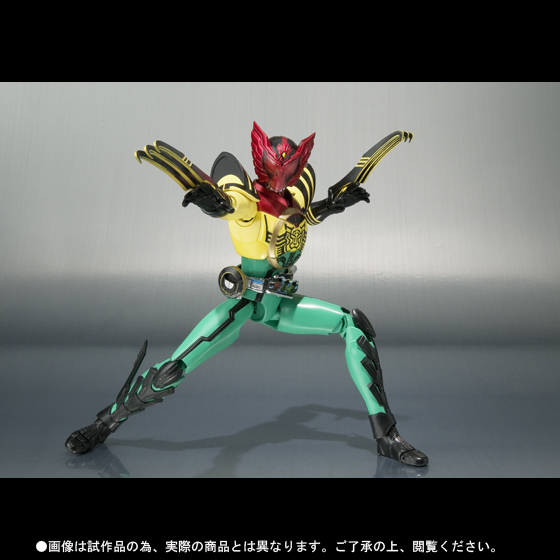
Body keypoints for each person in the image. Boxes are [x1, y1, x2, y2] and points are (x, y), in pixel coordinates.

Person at [65, 122, 428, 467]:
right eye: (277, 165)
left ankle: (387, 436)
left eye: (291, 166)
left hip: (280, 303)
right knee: (174, 367)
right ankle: (105, 423)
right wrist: (215, 203)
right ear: (261, 161)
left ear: (300, 165)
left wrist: (335, 204)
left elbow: (301, 217)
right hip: (245, 302)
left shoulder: (295, 197)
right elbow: (235, 207)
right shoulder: (246, 201)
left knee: (354, 325)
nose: (282, 173)